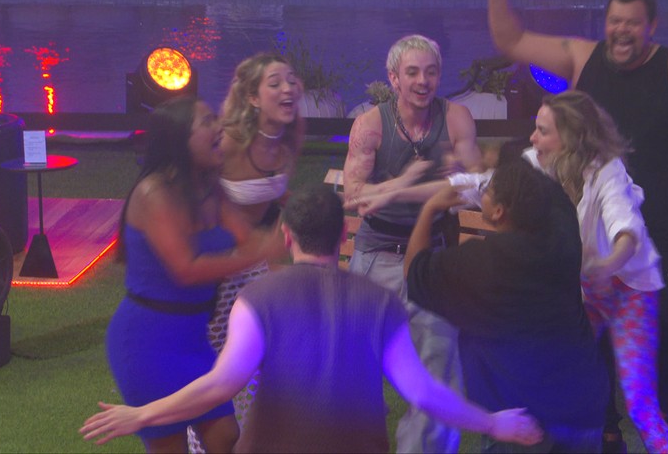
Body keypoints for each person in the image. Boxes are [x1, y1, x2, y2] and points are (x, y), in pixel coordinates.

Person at [475, 0, 668, 452]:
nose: (622, 31)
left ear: (651, 26)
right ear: (605, 22)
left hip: (658, 235)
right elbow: (511, 40)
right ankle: (606, 429)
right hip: (588, 231)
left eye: (632, 22)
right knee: (585, 335)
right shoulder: (582, 58)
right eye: (615, 21)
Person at [81, 184, 545, 454]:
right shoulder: (380, 303)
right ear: (343, 234)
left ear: (286, 236)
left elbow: (220, 385)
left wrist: (142, 413)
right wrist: (494, 423)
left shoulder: (258, 300)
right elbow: (422, 391)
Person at [350, 92, 668, 453]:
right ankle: (562, 433)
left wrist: (607, 265)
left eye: (542, 131)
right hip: (581, 283)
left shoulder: (606, 170)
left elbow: (626, 229)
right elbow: (469, 185)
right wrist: (393, 196)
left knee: (639, 402)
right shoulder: (535, 164)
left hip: (627, 288)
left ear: (571, 138)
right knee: (563, 367)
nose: (532, 138)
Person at [103, 96, 283, 452]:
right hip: (147, 341)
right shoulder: (154, 193)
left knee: (224, 434)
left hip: (193, 338)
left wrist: (284, 232)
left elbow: (249, 240)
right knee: (171, 446)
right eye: (207, 122)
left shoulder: (211, 190)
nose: (219, 128)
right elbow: (187, 269)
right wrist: (258, 253)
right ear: (179, 139)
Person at [404, 160, 610, 453]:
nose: (481, 192)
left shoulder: (481, 263)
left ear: (499, 211)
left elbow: (414, 271)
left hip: (523, 421)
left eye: (486, 190)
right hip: (583, 404)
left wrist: (429, 209)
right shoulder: (563, 230)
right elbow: (548, 188)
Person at [342, 34, 483, 453]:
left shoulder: (456, 118)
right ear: (394, 78)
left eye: (431, 72)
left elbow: (474, 188)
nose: (423, 81)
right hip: (376, 256)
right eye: (413, 72)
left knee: (439, 374)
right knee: (355, 376)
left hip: (430, 261)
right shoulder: (370, 125)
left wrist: (395, 191)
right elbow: (354, 197)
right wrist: (412, 182)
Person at [200, 53, 305, 430]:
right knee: (217, 362)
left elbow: (271, 194)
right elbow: (199, 197)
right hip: (217, 267)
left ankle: (253, 438)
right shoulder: (227, 142)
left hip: (257, 265)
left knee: (263, 358)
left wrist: (296, 208)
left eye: (290, 80)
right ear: (253, 98)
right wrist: (246, 239)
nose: (288, 88)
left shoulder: (289, 141)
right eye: (275, 83)